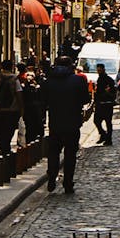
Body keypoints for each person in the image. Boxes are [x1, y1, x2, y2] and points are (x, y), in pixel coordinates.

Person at [41, 53, 90, 195]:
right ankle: (68, 183)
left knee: (53, 153)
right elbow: (85, 100)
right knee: (70, 155)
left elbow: (43, 101)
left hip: (55, 123)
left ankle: (51, 178)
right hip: (73, 123)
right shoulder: (78, 80)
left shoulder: (49, 81)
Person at [0, 59, 23, 156]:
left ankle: (3, 146)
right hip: (12, 110)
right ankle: (6, 145)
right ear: (12, 67)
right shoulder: (15, 79)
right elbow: (19, 94)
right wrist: (21, 108)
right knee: (9, 130)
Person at [94, 63, 116, 145]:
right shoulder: (99, 79)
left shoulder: (109, 79)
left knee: (108, 122)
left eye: (100, 70)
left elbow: (113, 92)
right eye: (98, 70)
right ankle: (103, 134)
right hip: (100, 104)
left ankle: (108, 139)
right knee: (96, 121)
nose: (98, 71)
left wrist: (107, 93)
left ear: (103, 69)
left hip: (107, 104)